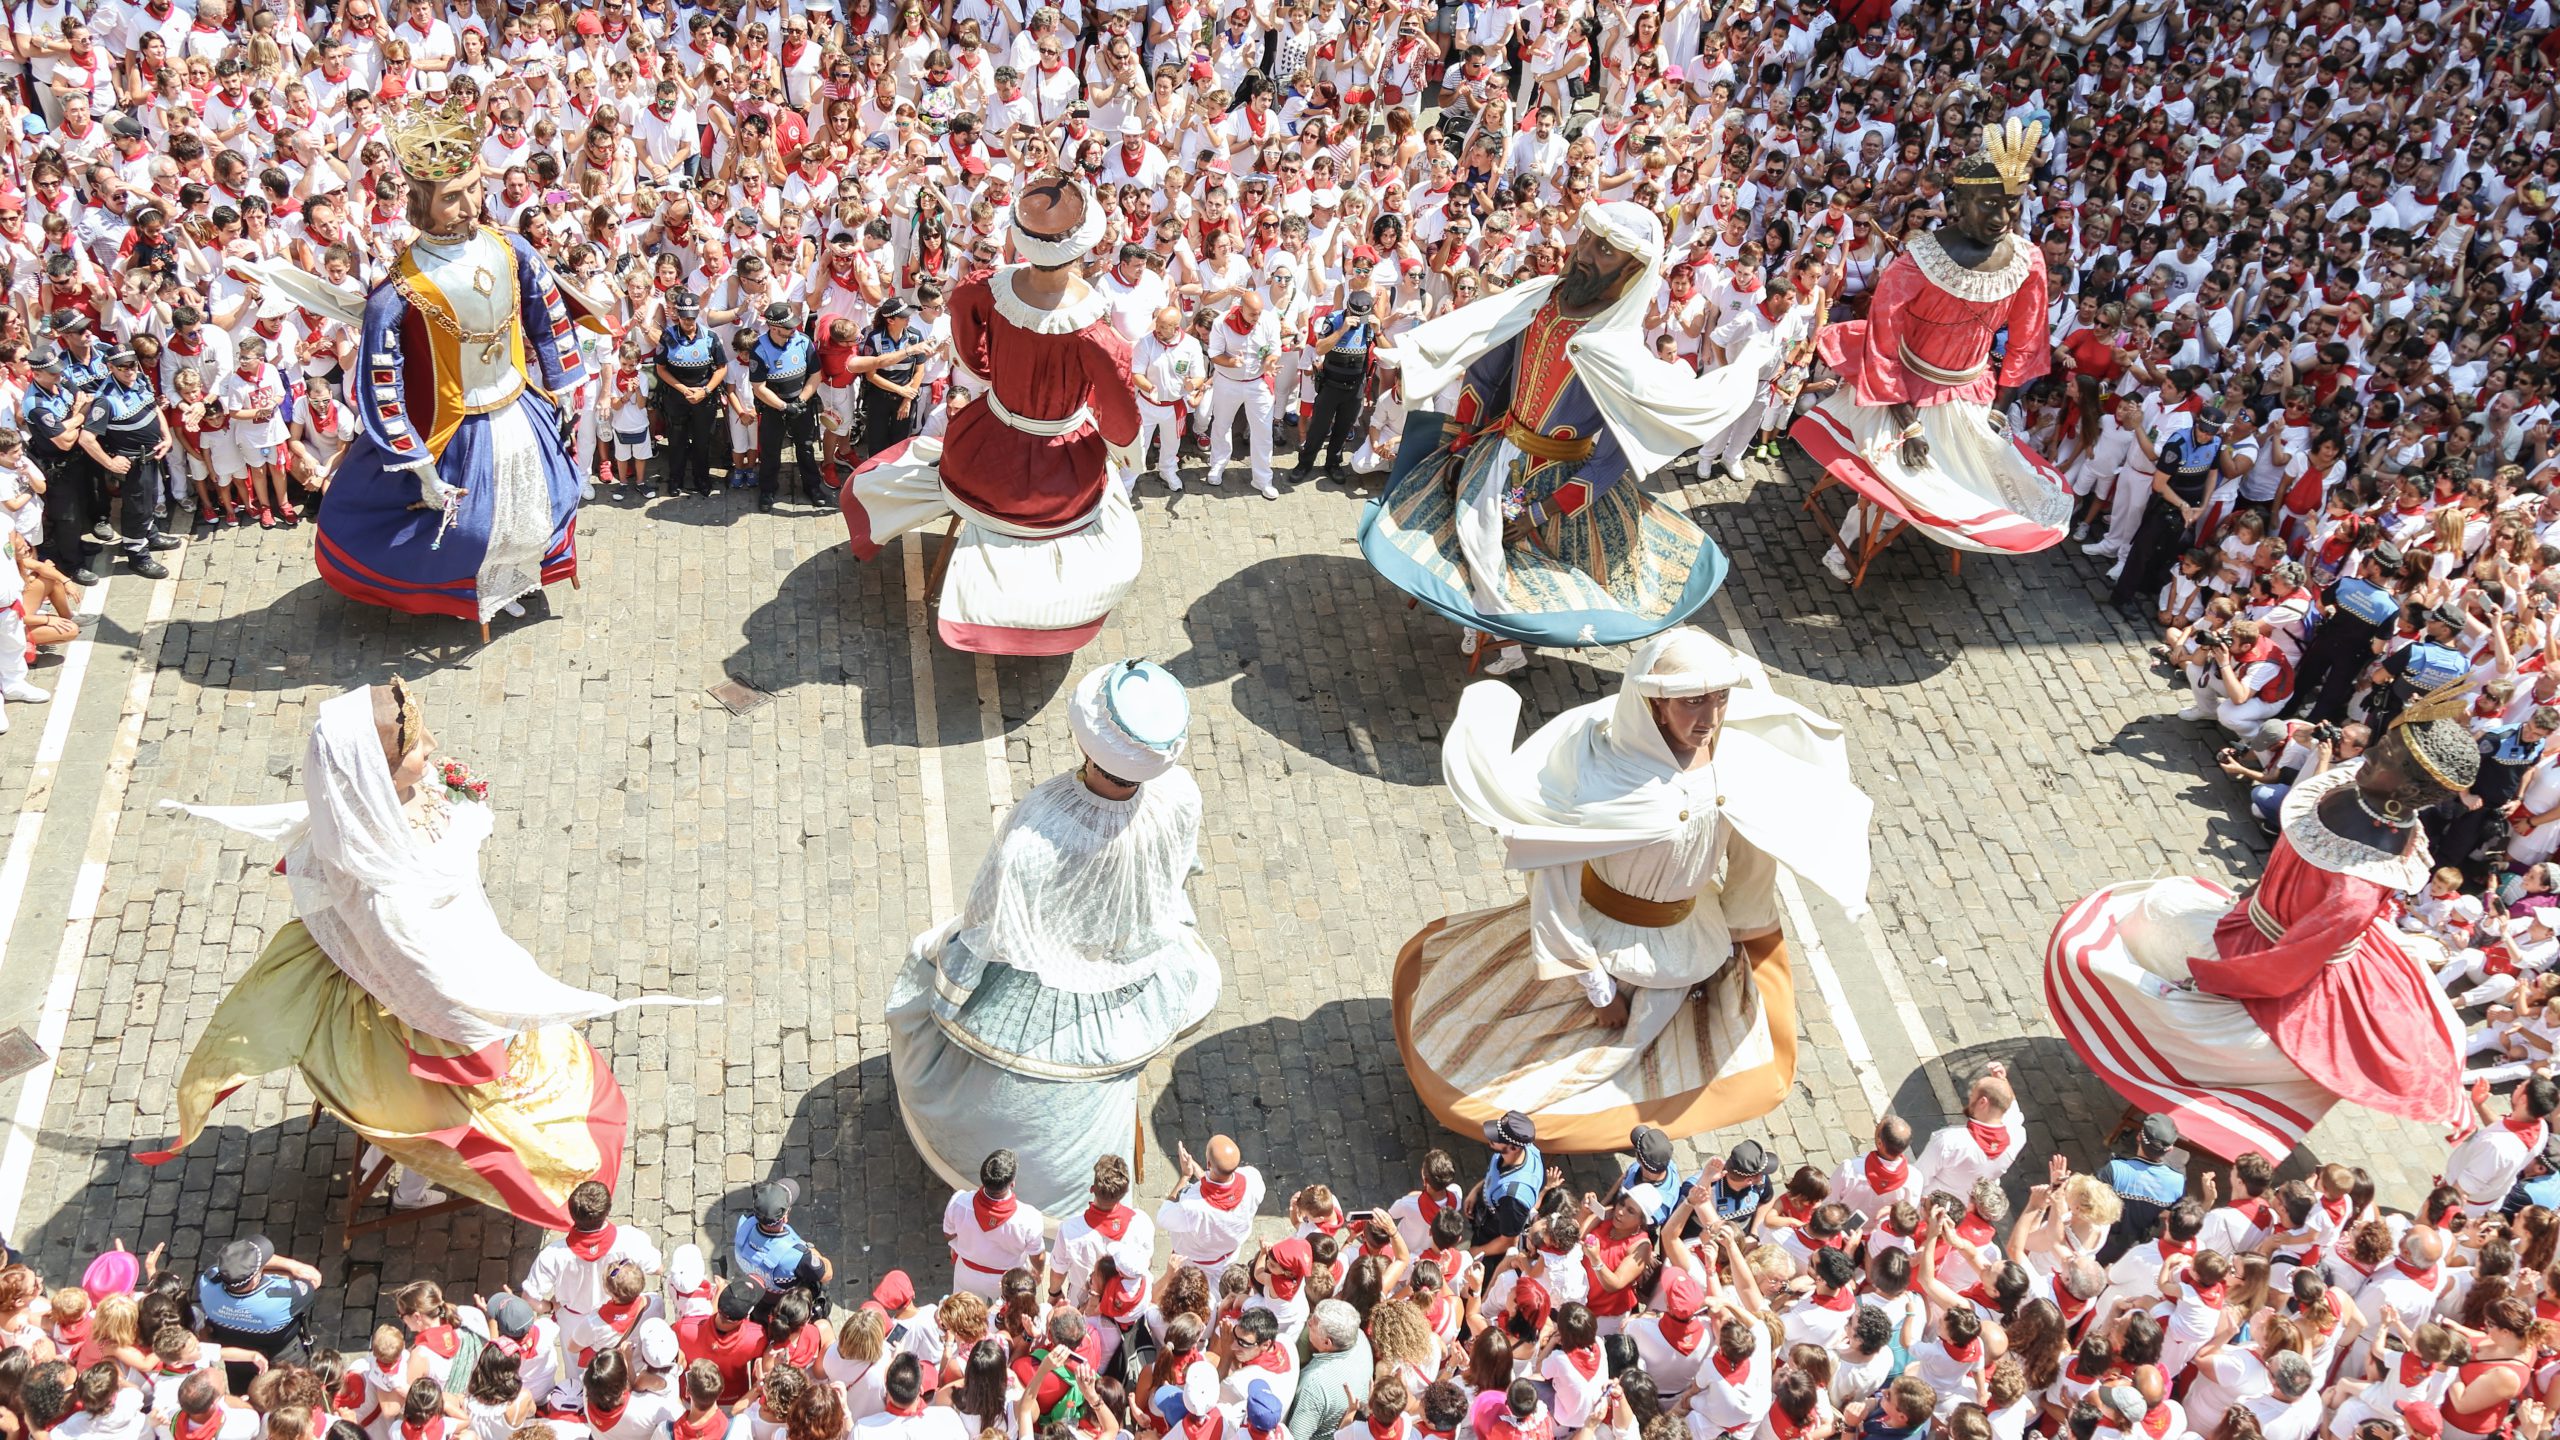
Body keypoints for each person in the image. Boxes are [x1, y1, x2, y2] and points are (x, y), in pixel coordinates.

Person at [141, 680, 708, 1226]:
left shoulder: (379, 801)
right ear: (374, 772)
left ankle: (383, 1159)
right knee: (458, 1118)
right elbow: (419, 976)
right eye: (415, 747)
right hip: (420, 997)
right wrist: (487, 1020)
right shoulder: (375, 881)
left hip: (450, 954)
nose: (432, 748)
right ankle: (411, 1183)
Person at [1395, 627, 1872, 1150]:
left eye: (1719, 698)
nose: (1710, 717)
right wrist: (1595, 987)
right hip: (1599, 943)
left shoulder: (1736, 762)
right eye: (1692, 701)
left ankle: (1628, 1134)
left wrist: (1745, 929)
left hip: (1687, 939)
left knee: (1647, 1063)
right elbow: (1551, 883)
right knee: (1565, 1064)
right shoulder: (1601, 778)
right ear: (1654, 703)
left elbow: (1754, 855)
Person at [2048, 682, 2479, 1159]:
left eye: (2388, 755)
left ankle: (2186, 1089)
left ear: (2408, 788)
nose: (2373, 752)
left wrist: (2213, 977)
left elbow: (2289, 963)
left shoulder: (2358, 882)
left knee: (2151, 947)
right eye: (2385, 741)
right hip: (2260, 921)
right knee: (2162, 905)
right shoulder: (2352, 792)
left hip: (2279, 964)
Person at [886, 659, 1218, 1212]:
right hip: (1131, 964)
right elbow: (1174, 876)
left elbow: (987, 919)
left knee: (928, 961)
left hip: (1039, 971)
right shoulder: (1179, 796)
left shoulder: (1036, 827)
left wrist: (952, 972)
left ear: (1088, 745)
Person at [1360, 203, 1741, 677]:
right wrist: (1459, 438)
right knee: (1465, 528)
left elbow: (1612, 456)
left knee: (1504, 542)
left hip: (1550, 482)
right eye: (1585, 239)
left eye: (1604, 251)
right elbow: (1487, 372)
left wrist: (1545, 510)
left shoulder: (1619, 352)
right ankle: (1487, 620)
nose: (1583, 253)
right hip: (1499, 447)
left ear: (1631, 271)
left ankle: (1505, 633)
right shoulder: (1538, 301)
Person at [274, 96, 602, 634]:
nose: (471, 205)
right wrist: (421, 467)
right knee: (470, 529)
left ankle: (516, 580)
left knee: (537, 504)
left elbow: (548, 315)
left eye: (475, 188)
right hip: (454, 429)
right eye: (453, 198)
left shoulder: (511, 247)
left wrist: (563, 387)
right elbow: (382, 388)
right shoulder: (396, 294)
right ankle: (469, 594)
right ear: (422, 205)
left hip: (518, 405)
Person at [840, 172, 1143, 655]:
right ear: (1081, 249)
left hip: (989, 435)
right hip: (1057, 459)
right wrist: (1128, 454)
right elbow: (1122, 419)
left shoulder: (987, 289)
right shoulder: (1097, 336)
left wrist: (990, 370)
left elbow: (966, 330)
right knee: (1099, 508)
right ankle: (1034, 612)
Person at [1791, 120, 2069, 584]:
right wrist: (1908, 421)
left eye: (2011, 205)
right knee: (1887, 476)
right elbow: (1882, 345)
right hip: (1904, 389)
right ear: (1957, 205)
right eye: (1988, 204)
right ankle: (1842, 550)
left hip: (1970, 391)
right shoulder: (1916, 263)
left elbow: (2027, 335)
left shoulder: (2027, 258)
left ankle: (1945, 521)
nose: (2002, 219)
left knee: (1979, 476)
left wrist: (2002, 402)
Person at [77, 346, 179, 579]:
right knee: (136, 509)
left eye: (132, 365)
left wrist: (167, 437)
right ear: (110, 368)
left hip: (152, 456)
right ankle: (138, 556)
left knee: (150, 500)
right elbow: (86, 438)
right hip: (134, 462)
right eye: (122, 367)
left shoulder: (140, 379)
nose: (129, 371)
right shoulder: (105, 400)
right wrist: (110, 464)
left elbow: (154, 408)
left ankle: (149, 535)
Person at [746, 302, 823, 510]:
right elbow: (759, 387)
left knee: (806, 448)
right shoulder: (760, 349)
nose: (793, 329)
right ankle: (768, 489)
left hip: (801, 403)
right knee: (770, 451)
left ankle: (812, 486)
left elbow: (816, 375)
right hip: (774, 408)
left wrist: (801, 401)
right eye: (788, 327)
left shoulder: (803, 341)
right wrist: (783, 406)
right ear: (774, 327)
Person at [1296, 290, 1376, 484]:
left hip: (1355, 386)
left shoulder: (1369, 325)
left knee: (1343, 427)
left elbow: (1384, 351)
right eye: (1356, 315)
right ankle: (1305, 463)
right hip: (1331, 384)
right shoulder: (1333, 319)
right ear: (1348, 309)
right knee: (1319, 427)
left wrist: (1379, 330)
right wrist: (1342, 331)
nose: (1359, 320)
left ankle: (1333, 463)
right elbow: (1320, 347)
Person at [654, 290, 727, 498]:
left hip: (704, 397)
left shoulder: (710, 337)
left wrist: (705, 391)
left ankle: (701, 478)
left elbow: (721, 368)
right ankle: (675, 479)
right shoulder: (668, 337)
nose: (688, 321)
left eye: (692, 317)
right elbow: (661, 368)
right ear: (678, 315)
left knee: (702, 440)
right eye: (684, 317)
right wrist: (683, 389)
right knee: (676, 440)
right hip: (677, 397)